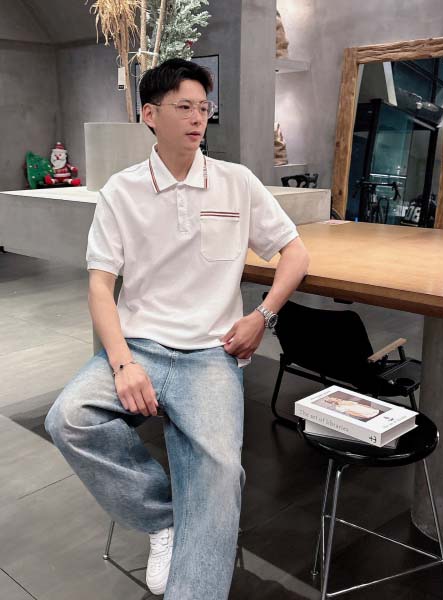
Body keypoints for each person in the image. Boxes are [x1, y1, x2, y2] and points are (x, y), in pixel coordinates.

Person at [45, 58, 309, 599]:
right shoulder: (121, 191)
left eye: (203, 108)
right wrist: (123, 363)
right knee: (69, 418)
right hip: (140, 345)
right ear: (150, 114)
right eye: (184, 107)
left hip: (212, 353)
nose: (196, 118)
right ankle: (162, 518)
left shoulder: (236, 182)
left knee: (220, 474)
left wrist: (263, 315)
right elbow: (100, 287)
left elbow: (295, 253)